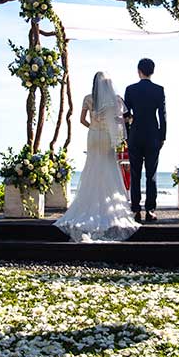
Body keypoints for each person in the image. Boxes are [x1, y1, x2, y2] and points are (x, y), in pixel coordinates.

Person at [55, 73, 140, 243]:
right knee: (108, 169)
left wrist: (93, 127)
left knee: (92, 168)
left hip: (93, 136)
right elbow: (119, 120)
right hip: (106, 138)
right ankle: (108, 208)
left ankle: (89, 205)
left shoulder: (88, 98)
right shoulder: (115, 100)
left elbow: (81, 120)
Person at [123, 58, 166, 223]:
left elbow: (125, 115)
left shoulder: (130, 89)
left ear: (138, 70)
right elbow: (162, 115)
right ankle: (150, 210)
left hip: (134, 136)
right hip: (153, 136)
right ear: (152, 71)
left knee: (135, 174)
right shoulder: (159, 90)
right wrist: (162, 136)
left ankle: (135, 210)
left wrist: (128, 134)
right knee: (151, 175)